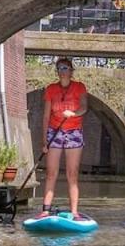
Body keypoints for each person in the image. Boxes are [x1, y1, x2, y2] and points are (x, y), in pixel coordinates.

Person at [38, 56, 90, 220]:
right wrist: (44, 141)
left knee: (72, 173)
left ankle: (74, 212)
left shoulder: (79, 87)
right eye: (59, 68)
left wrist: (73, 113)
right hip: (55, 132)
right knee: (51, 172)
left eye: (65, 68)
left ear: (71, 71)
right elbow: (46, 116)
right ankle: (46, 209)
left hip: (74, 131)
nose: (62, 71)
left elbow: (84, 107)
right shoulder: (51, 89)